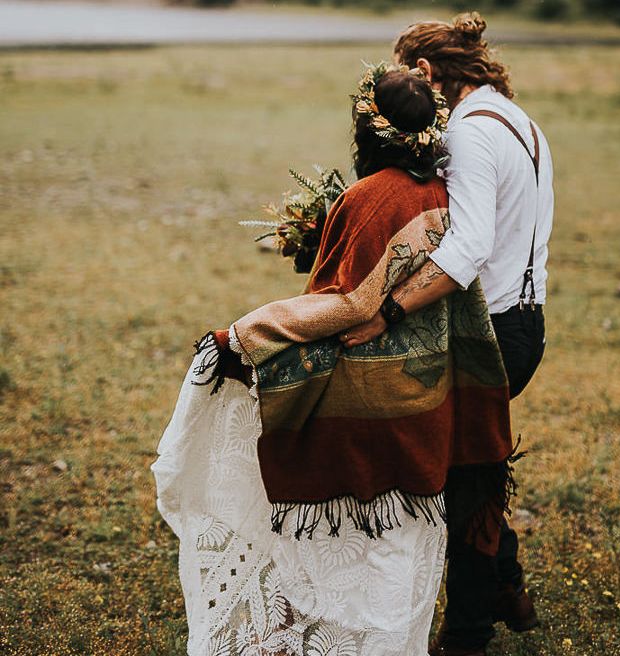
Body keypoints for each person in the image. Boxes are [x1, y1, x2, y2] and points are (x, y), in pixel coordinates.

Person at [152, 64, 518, 656]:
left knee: (351, 546)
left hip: (369, 412)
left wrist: (241, 335)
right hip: (425, 406)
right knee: (399, 545)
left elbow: (347, 303)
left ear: (367, 128)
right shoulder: (443, 192)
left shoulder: (372, 197)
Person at [340, 14, 554, 656]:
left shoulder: (467, 135)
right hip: (525, 319)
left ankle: (466, 636)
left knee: (455, 480)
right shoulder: (519, 121)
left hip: (489, 334)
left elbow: (467, 247)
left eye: (406, 71)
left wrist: (389, 311)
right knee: (474, 464)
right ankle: (507, 586)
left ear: (428, 72)